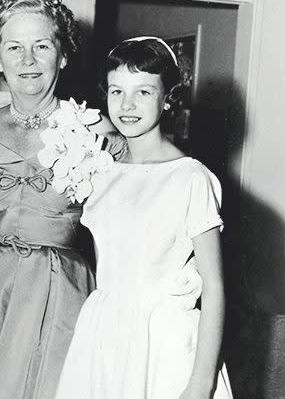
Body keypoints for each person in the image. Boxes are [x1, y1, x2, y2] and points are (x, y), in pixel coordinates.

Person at [0, 0, 123, 399]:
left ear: (63, 54)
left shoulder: (98, 133)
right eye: (14, 48)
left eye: (42, 46)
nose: (29, 60)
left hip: (62, 292)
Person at [54, 37, 233, 398]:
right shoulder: (101, 173)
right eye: (117, 91)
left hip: (163, 342)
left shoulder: (190, 178)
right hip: (104, 337)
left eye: (144, 92)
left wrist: (201, 381)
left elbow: (214, 286)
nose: (127, 104)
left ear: (168, 99)